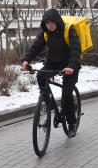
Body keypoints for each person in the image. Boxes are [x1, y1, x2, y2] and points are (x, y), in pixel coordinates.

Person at [21, 8, 81, 138]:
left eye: (52, 22)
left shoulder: (68, 30)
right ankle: (47, 103)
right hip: (53, 63)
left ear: (57, 21)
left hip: (69, 66)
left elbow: (76, 50)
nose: (50, 25)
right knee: (40, 75)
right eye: (47, 23)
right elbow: (35, 47)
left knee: (66, 95)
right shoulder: (45, 32)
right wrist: (26, 60)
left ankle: (71, 124)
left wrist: (71, 66)